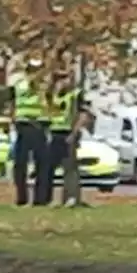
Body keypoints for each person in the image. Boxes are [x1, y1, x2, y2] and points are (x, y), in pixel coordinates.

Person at [9, 59, 49, 206]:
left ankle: (36, 198)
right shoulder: (34, 86)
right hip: (28, 125)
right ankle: (26, 197)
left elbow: (12, 105)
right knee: (26, 164)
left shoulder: (22, 85)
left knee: (36, 164)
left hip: (35, 125)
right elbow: (13, 104)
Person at [38, 73, 79, 206]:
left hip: (66, 134)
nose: (63, 82)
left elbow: (81, 116)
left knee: (69, 167)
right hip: (53, 133)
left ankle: (70, 198)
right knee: (48, 168)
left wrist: (73, 134)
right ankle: (47, 198)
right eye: (60, 80)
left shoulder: (73, 96)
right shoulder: (51, 96)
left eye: (65, 79)